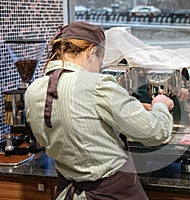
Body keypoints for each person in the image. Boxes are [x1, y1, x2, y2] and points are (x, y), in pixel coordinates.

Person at [25, 21, 174, 200]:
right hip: (113, 192)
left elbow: (57, 133)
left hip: (68, 190)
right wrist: (160, 104)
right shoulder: (98, 85)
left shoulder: (33, 90)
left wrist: (123, 108)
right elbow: (156, 132)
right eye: (100, 62)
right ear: (92, 51)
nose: (98, 69)